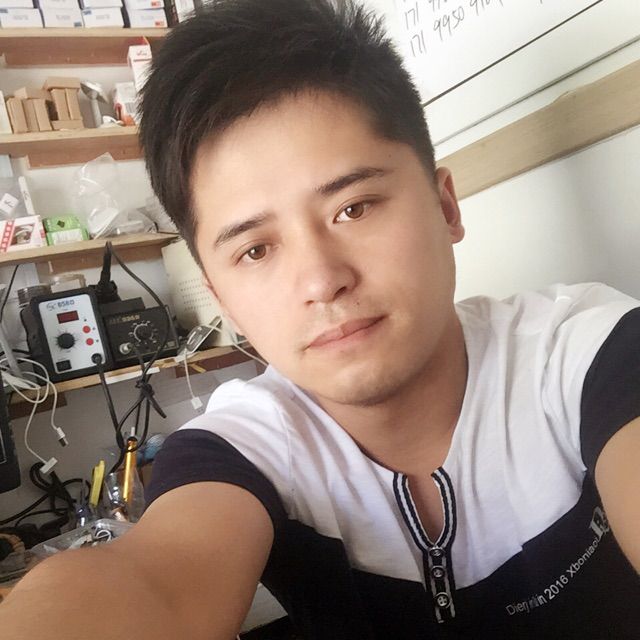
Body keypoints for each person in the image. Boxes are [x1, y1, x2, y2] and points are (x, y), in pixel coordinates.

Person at [2, 1, 639, 638]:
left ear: (445, 206)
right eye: (256, 250)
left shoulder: (583, 354)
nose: (321, 280)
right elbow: (150, 583)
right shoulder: (237, 451)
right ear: (222, 298)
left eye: (353, 208)